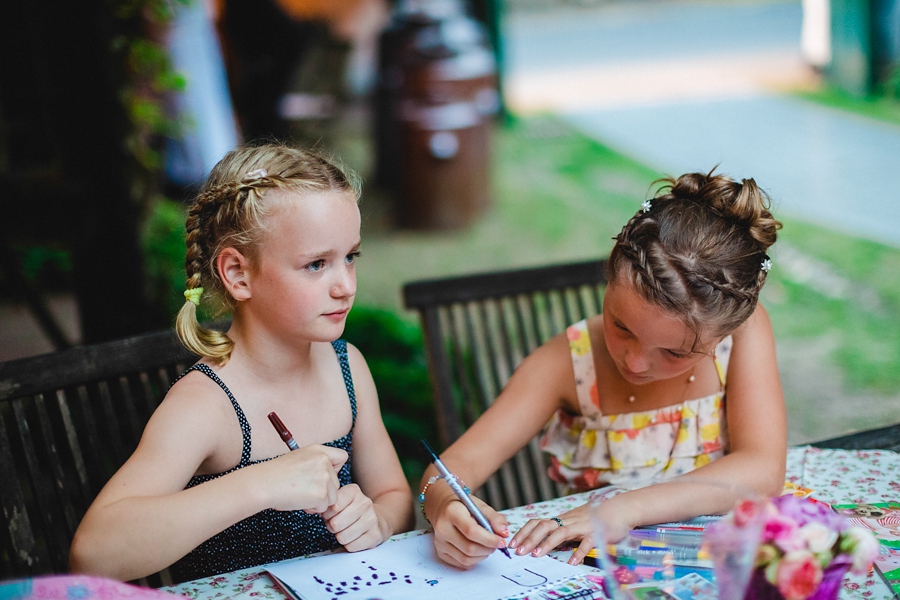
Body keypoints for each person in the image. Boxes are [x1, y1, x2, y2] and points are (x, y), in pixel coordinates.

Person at [69, 144, 414, 582]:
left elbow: (393, 493)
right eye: (315, 265)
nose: (345, 285)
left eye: (350, 257)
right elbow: (93, 554)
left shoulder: (347, 368)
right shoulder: (206, 404)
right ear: (238, 274)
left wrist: (377, 521)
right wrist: (261, 484)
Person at [419, 170, 786, 569]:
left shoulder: (745, 333)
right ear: (608, 281)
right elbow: (447, 472)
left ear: (726, 332)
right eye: (622, 327)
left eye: (675, 353)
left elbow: (762, 469)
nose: (635, 362)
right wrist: (445, 506)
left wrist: (623, 509)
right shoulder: (565, 364)